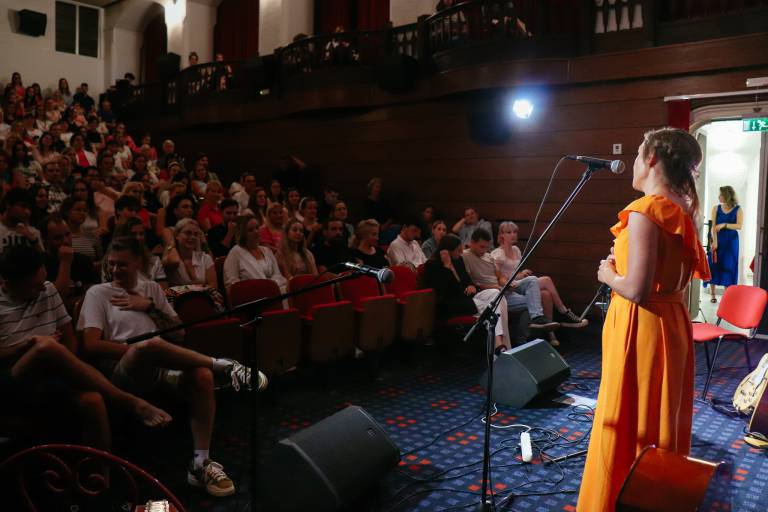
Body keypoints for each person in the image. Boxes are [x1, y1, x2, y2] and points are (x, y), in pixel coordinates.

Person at [577, 128, 710, 512]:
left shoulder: (646, 211)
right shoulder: (682, 209)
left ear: (651, 158)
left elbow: (636, 289)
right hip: (670, 322)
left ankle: (615, 496)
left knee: (630, 415)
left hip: (642, 324)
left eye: (637, 154)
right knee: (659, 413)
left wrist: (607, 274)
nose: (634, 161)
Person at [78, 236, 264, 497]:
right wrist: (139, 351)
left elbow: (179, 333)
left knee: (201, 376)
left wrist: (150, 307)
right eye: (112, 264)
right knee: (148, 345)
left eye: (122, 265)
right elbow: (91, 344)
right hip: (121, 370)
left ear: (138, 263)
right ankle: (223, 366)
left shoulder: (152, 289)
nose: (115, 270)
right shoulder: (98, 293)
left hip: (161, 367)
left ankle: (201, 463)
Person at [0, 245, 171, 452]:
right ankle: (131, 403)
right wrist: (26, 345)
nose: (43, 289)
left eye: (43, 281)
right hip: (12, 378)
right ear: (8, 283)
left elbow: (70, 340)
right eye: (35, 286)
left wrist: (67, 365)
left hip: (52, 373)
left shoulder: (48, 290)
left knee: (93, 400)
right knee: (45, 346)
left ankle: (98, 469)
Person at [462, 228, 559, 339]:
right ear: (472, 242)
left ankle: (536, 318)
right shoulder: (466, 256)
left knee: (532, 280)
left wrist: (506, 284)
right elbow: (473, 282)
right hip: (491, 294)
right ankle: (522, 337)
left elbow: (500, 277)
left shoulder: (488, 256)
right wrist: (497, 287)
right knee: (533, 302)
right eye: (481, 247)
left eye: (486, 247)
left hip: (503, 289)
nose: (484, 250)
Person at [422, 234, 511, 349]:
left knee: (497, 295)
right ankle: (500, 344)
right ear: (447, 251)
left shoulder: (458, 260)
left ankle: (499, 345)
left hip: (467, 297)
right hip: (451, 303)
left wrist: (471, 285)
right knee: (493, 308)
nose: (461, 253)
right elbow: (443, 290)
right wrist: (447, 267)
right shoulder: (432, 265)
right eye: (458, 250)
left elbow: (467, 280)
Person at [492, 221, 587, 328]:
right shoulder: (498, 254)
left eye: (515, 232)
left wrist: (521, 274)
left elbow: (513, 272)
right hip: (508, 288)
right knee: (546, 280)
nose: (513, 235)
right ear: (502, 235)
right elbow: (498, 277)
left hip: (517, 283)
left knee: (546, 294)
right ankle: (564, 312)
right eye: (509, 232)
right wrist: (514, 280)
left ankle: (550, 330)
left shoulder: (516, 250)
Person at [223, 215, 288, 293]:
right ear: (242, 233)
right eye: (250, 230)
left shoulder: (267, 251)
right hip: (251, 295)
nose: (256, 231)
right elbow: (231, 285)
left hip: (274, 290)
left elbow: (278, 275)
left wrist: (270, 285)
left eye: (257, 228)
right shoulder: (235, 253)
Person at [40, 214, 99, 296]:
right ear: (44, 239)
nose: (66, 241)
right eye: (58, 238)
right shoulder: (39, 264)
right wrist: (65, 262)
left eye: (68, 234)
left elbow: (94, 293)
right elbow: (55, 297)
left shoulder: (83, 260)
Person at [704, 185, 742, 302]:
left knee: (729, 266)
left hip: (731, 242)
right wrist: (715, 242)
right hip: (718, 240)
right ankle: (713, 295)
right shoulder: (716, 208)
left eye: (721, 194)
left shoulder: (738, 209)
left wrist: (724, 225)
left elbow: (739, 226)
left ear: (727, 195)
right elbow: (713, 227)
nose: (719, 196)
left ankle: (726, 297)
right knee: (713, 265)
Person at [162, 219, 217, 289]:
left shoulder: (205, 258)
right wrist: (172, 244)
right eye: (188, 233)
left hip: (203, 295)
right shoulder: (173, 257)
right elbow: (175, 261)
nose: (193, 237)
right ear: (177, 235)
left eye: (196, 234)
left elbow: (213, 286)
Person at [0, 188, 44, 256]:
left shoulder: (33, 233)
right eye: (23, 206)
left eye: (29, 208)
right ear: (8, 205)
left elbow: (42, 260)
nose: (27, 212)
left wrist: (33, 240)